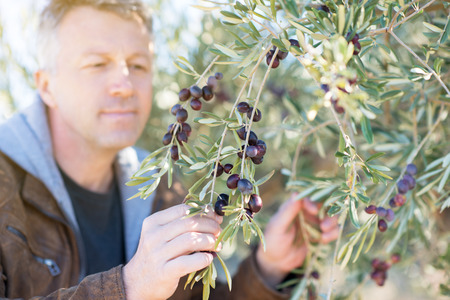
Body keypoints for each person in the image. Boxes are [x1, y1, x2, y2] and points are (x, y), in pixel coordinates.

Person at [0, 0, 339, 299]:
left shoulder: (161, 194)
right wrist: (129, 288)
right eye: (97, 64)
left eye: (138, 65)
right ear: (46, 85)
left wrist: (269, 268)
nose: (124, 85)